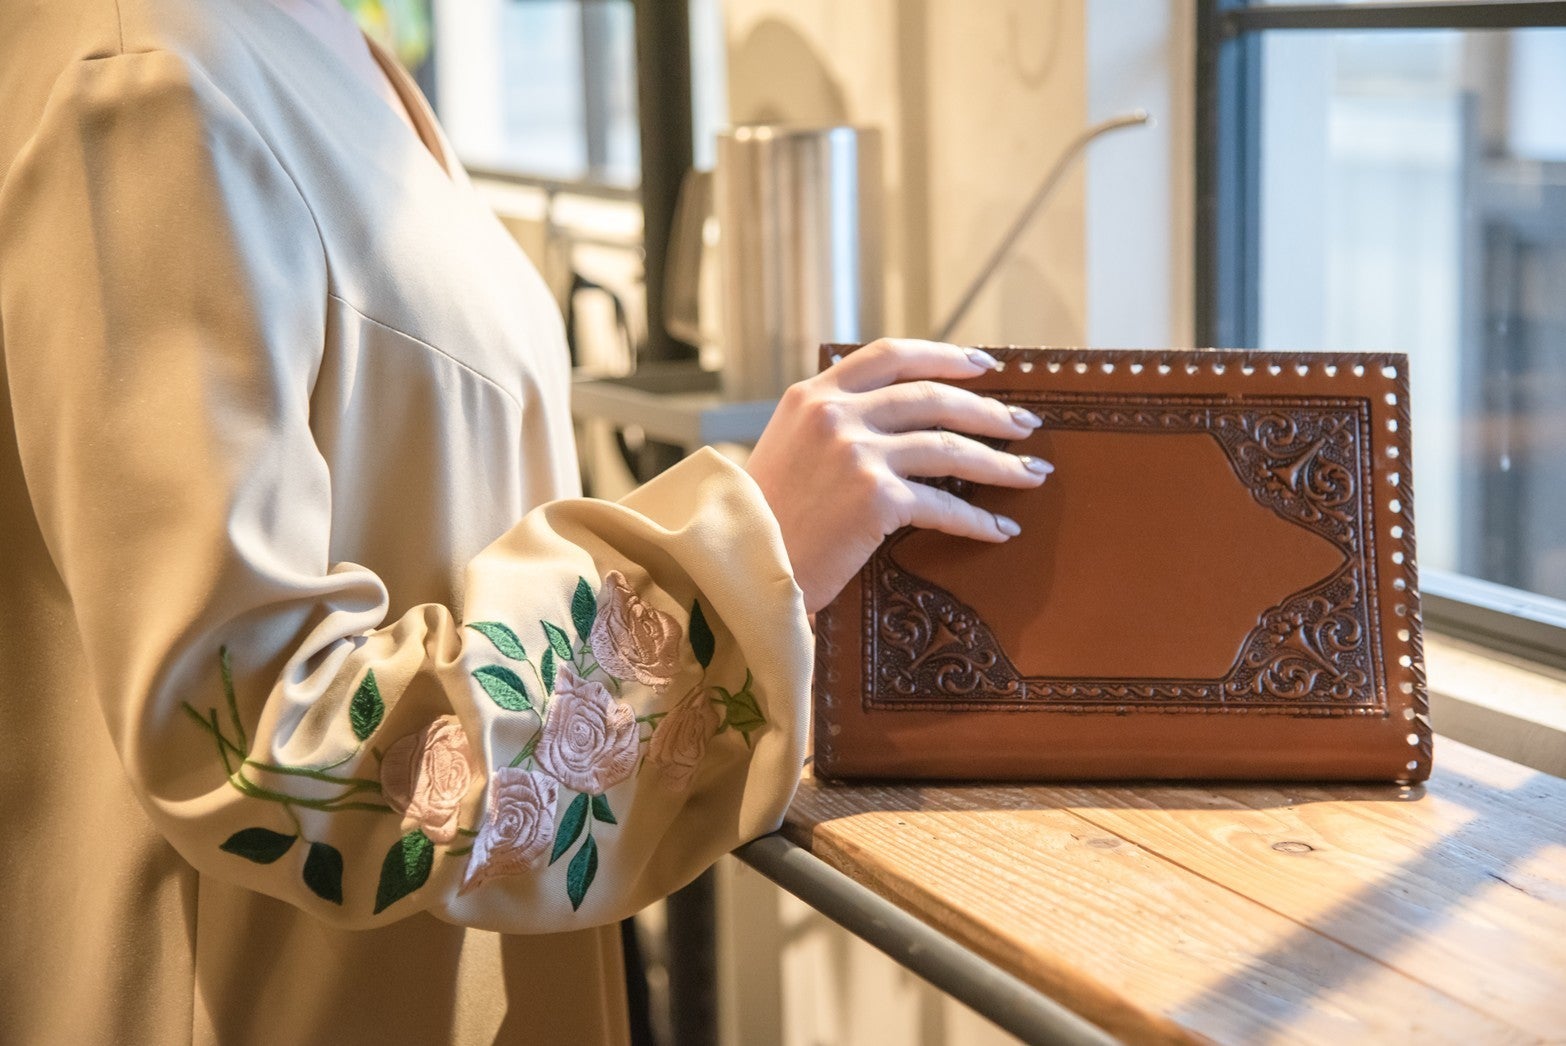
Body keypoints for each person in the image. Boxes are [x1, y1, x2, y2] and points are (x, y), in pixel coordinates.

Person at [0, 0, 1050, 1041]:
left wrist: (756, 570)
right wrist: (722, 566)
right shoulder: (144, 81)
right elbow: (261, 738)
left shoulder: (326, 42)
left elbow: (428, 503)